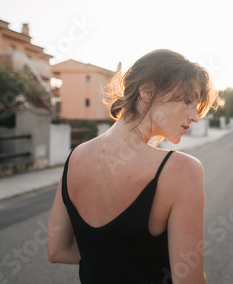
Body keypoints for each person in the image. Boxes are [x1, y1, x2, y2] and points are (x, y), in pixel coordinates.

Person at [47, 49, 218, 283]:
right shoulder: (181, 169)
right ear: (147, 91)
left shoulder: (75, 157)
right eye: (188, 100)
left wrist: (107, 256)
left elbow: (57, 250)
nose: (195, 116)